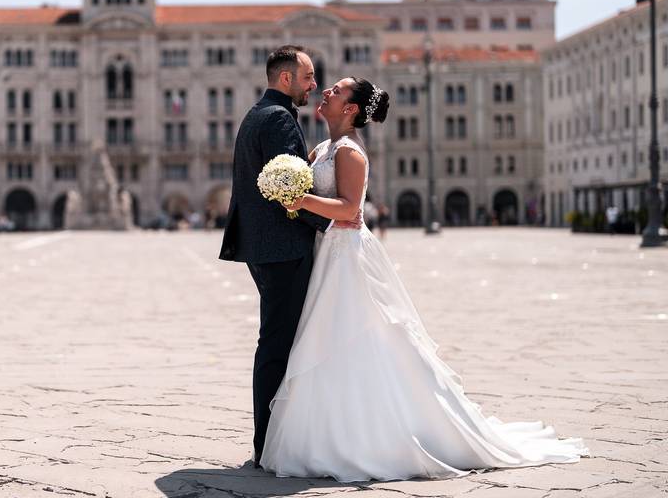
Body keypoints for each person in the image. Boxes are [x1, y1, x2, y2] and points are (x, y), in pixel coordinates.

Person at [261, 76, 588, 481]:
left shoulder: (350, 153)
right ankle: (327, 433)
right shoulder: (323, 148)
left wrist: (298, 198)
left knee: (356, 335)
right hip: (326, 253)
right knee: (325, 337)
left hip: (347, 258)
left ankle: (375, 435)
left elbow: (348, 209)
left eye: (338, 91)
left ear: (350, 109)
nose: (327, 91)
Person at [218, 45, 361, 467]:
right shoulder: (280, 119)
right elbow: (289, 193)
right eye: (308, 77)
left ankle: (277, 437)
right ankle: (270, 443)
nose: (314, 84)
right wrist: (332, 225)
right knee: (278, 344)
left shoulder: (256, 114)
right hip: (283, 248)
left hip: (263, 247)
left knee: (279, 341)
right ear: (286, 79)